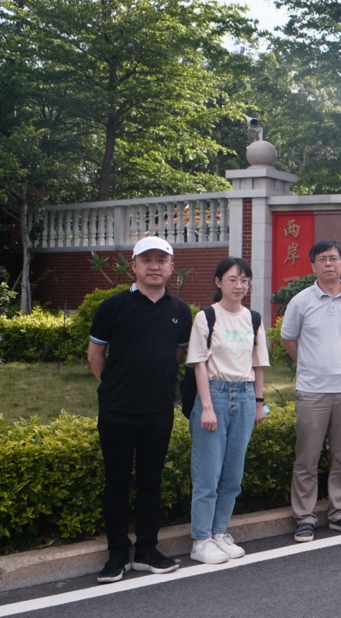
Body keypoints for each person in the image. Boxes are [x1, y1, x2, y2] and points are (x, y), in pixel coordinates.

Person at [88, 236, 192, 583]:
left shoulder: (180, 311)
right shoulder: (113, 306)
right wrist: (114, 388)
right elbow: (95, 355)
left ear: (171, 267)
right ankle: (117, 554)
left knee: (151, 481)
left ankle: (147, 550)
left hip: (158, 410)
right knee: (116, 482)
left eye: (161, 260)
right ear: (134, 266)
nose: (154, 266)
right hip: (117, 410)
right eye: (146, 260)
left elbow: (176, 354)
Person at [185, 257, 269, 564]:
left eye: (244, 280)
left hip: (244, 397)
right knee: (208, 475)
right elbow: (199, 364)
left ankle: (219, 533)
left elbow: (258, 366)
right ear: (218, 282)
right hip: (215, 395)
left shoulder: (253, 319)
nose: (239, 286)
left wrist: (258, 403)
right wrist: (207, 407)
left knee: (233, 475)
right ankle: (201, 540)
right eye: (233, 279)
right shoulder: (206, 317)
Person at [280, 240, 341, 542]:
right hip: (312, 391)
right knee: (307, 457)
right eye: (322, 259)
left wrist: (340, 364)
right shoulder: (300, 301)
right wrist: (309, 364)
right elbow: (287, 339)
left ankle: (340, 512)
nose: (328, 263)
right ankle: (304, 517)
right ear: (313, 266)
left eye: (333, 258)